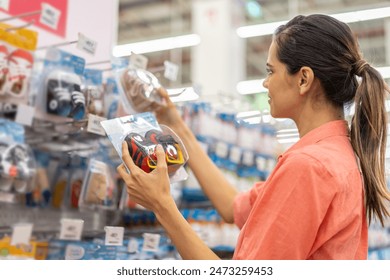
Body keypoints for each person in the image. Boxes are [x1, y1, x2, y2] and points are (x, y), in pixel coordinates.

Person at [117, 14, 390, 260]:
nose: (265, 82)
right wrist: (176, 123)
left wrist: (161, 205)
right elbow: (232, 207)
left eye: (271, 71)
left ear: (304, 79)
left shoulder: (308, 167)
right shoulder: (335, 155)